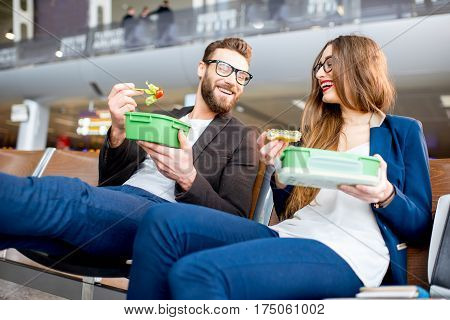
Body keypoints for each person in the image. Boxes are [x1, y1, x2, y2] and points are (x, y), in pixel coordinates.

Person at [126, 35, 432, 299]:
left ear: (359, 65)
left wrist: (385, 193)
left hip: (348, 253)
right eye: (318, 66)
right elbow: (290, 211)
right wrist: (280, 176)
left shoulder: (401, 131)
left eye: (329, 64)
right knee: (161, 220)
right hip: (289, 234)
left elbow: (419, 225)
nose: (319, 73)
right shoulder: (317, 134)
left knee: (195, 273)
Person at [0, 38, 258, 260]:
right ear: (202, 68)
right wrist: (119, 131)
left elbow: (234, 221)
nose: (233, 80)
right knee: (19, 229)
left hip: (162, 216)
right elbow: (111, 177)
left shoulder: (242, 137)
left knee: (63, 195)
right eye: (224, 68)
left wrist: (187, 177)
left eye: (242, 75)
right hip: (116, 197)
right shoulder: (165, 117)